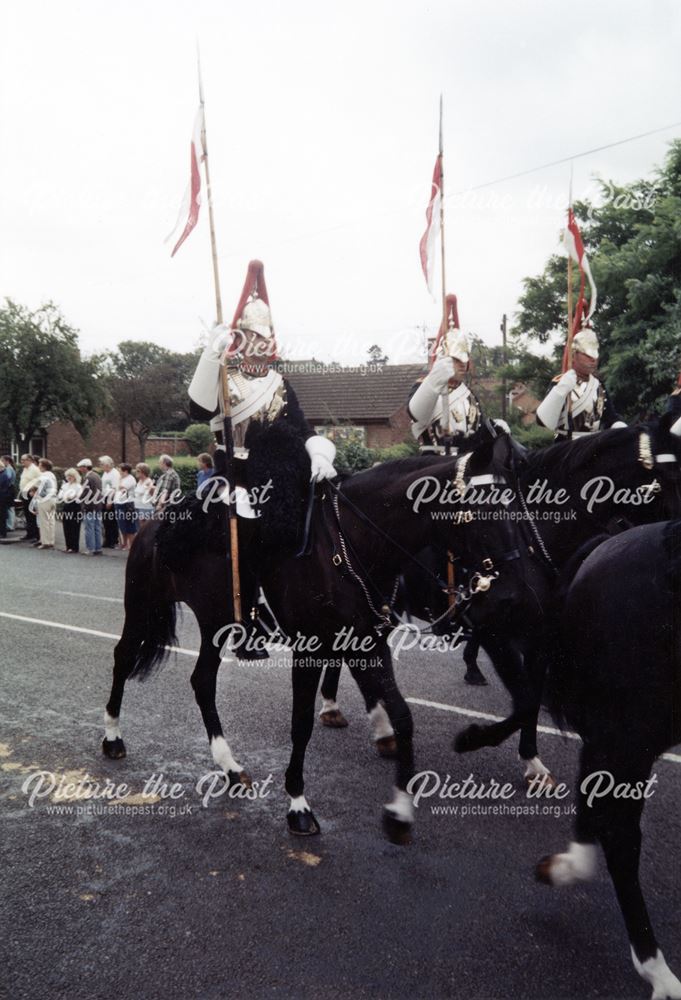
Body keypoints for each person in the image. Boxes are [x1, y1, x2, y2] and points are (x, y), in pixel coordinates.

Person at [188, 259, 337, 654]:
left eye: (265, 338)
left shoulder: (281, 384)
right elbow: (198, 411)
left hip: (275, 476)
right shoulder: (225, 375)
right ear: (239, 339)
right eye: (251, 337)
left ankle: (301, 607)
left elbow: (303, 428)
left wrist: (317, 451)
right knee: (245, 530)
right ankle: (243, 620)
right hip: (232, 475)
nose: (259, 345)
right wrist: (210, 356)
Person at [408, 294, 484, 454]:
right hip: (434, 466)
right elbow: (417, 414)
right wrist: (436, 379)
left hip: (466, 466)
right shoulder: (424, 386)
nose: (463, 364)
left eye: (465, 359)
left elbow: (479, 433)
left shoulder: (469, 395)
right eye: (456, 359)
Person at [536, 324, 626, 440]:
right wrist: (561, 389)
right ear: (574, 355)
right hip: (566, 447)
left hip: (593, 446)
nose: (593, 359)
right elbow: (542, 421)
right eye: (587, 354)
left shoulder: (599, 386)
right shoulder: (560, 382)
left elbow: (610, 417)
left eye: (595, 354)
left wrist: (619, 425)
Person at [76, 459, 103, 555]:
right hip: (98, 504)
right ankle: (98, 548)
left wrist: (78, 499)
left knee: (89, 527)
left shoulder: (88, 478)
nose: (80, 469)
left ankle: (90, 548)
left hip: (89, 505)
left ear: (85, 467)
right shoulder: (97, 476)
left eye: (81, 467)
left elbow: (86, 492)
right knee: (97, 527)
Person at [31, 459, 58, 549]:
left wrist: (34, 491)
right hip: (53, 499)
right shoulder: (52, 475)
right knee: (51, 521)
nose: (38, 466)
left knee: (44, 522)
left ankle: (45, 542)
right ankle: (51, 541)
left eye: (39, 464)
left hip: (44, 500)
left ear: (43, 466)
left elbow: (39, 488)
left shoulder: (42, 476)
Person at [57, 468, 83, 552]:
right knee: (66, 526)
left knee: (74, 527)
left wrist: (69, 496)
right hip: (67, 506)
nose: (69, 477)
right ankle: (68, 547)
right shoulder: (65, 485)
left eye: (71, 476)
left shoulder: (78, 486)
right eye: (68, 476)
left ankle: (74, 547)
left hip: (75, 507)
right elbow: (60, 495)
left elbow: (78, 496)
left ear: (75, 477)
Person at [114, 462, 138, 550]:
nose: (118, 472)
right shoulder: (122, 478)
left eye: (120, 470)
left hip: (127, 505)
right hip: (119, 504)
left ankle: (131, 545)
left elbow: (121, 488)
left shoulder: (130, 479)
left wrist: (119, 480)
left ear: (126, 471)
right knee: (121, 525)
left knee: (129, 525)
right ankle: (124, 544)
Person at [99, 456, 121, 549]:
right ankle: (107, 540)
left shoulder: (114, 474)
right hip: (104, 497)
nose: (100, 466)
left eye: (102, 464)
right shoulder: (105, 473)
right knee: (106, 521)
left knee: (112, 520)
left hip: (111, 498)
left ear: (107, 465)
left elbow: (114, 488)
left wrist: (110, 501)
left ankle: (113, 541)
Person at [18, 454, 41, 541]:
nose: (22, 462)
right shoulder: (25, 469)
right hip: (24, 494)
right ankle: (29, 533)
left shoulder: (35, 469)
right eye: (21, 460)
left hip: (31, 494)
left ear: (30, 460)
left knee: (32, 514)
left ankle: (35, 535)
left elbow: (40, 481)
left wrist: (34, 490)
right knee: (27, 514)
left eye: (23, 460)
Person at [0, 459, 16, 539]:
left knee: (2, 515)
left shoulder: (4, 475)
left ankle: (3, 533)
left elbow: (3, 487)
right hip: (2, 496)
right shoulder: (3, 474)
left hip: (2, 497)